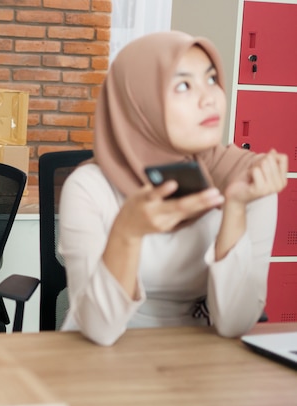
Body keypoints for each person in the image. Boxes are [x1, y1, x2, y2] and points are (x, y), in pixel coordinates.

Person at [58, 31, 288, 346]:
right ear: (140, 103)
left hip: (198, 361)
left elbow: (234, 323)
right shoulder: (89, 188)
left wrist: (234, 210)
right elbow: (100, 329)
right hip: (101, 361)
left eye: (211, 80)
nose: (210, 98)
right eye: (183, 86)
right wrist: (127, 232)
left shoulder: (249, 182)